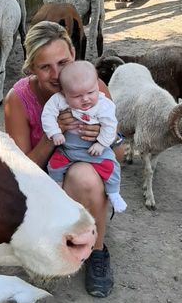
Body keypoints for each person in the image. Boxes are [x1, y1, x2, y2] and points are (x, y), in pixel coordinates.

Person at [4, 21, 124, 298]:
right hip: (42, 185)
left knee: (84, 175)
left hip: (83, 179)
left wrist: (107, 137)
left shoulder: (94, 89)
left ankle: (97, 251)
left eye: (63, 61)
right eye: (45, 67)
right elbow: (21, 172)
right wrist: (52, 134)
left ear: (74, 53)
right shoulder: (18, 100)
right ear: (31, 68)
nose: (57, 74)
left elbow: (119, 156)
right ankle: (51, 236)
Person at [41, 60, 127, 215]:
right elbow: (48, 113)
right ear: (64, 93)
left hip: (94, 151)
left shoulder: (103, 104)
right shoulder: (60, 100)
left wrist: (101, 144)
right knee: (54, 166)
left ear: (96, 86)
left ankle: (114, 194)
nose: (85, 99)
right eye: (77, 96)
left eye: (90, 93)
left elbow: (110, 126)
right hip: (68, 150)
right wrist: (55, 132)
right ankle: (57, 187)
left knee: (111, 167)